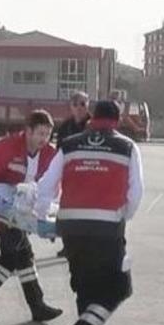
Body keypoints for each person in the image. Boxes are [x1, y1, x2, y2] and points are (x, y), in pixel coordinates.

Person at [36, 100, 144, 325]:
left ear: (91, 118)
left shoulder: (70, 144)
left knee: (87, 289)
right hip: (107, 226)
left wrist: (41, 217)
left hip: (71, 226)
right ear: (117, 120)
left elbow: (47, 185)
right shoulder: (127, 146)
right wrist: (124, 216)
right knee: (119, 287)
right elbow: (136, 193)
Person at [0, 110, 64, 323]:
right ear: (27, 131)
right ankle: (36, 306)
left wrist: (45, 219)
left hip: (23, 212)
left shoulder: (50, 154)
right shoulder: (6, 147)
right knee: (21, 253)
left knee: (12, 257)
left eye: (48, 134)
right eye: (40, 133)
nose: (44, 139)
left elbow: (51, 190)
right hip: (0, 210)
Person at [52, 91, 90, 258]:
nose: (79, 108)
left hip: (89, 173)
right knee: (67, 210)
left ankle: (85, 244)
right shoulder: (65, 126)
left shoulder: (93, 125)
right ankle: (68, 245)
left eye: (83, 104)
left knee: (86, 211)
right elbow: (58, 150)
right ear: (71, 107)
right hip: (69, 174)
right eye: (76, 104)